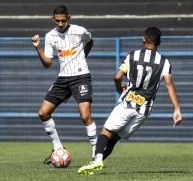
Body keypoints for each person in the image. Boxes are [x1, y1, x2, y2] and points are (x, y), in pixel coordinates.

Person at [78, 27, 182, 175]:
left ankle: (97, 161)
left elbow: (117, 76)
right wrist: (176, 108)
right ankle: (96, 163)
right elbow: (169, 84)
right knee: (114, 138)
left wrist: (117, 87)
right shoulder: (164, 62)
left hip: (127, 103)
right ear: (159, 42)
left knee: (106, 132)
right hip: (144, 110)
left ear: (143, 39)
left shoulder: (132, 56)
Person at [31, 5, 97, 164]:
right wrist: (38, 48)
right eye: (57, 21)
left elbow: (90, 42)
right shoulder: (50, 36)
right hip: (63, 78)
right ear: (53, 19)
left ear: (68, 18)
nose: (60, 24)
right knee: (43, 113)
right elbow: (47, 64)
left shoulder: (79, 30)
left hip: (81, 76)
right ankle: (57, 148)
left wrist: (82, 57)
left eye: (63, 20)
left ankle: (97, 155)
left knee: (85, 115)